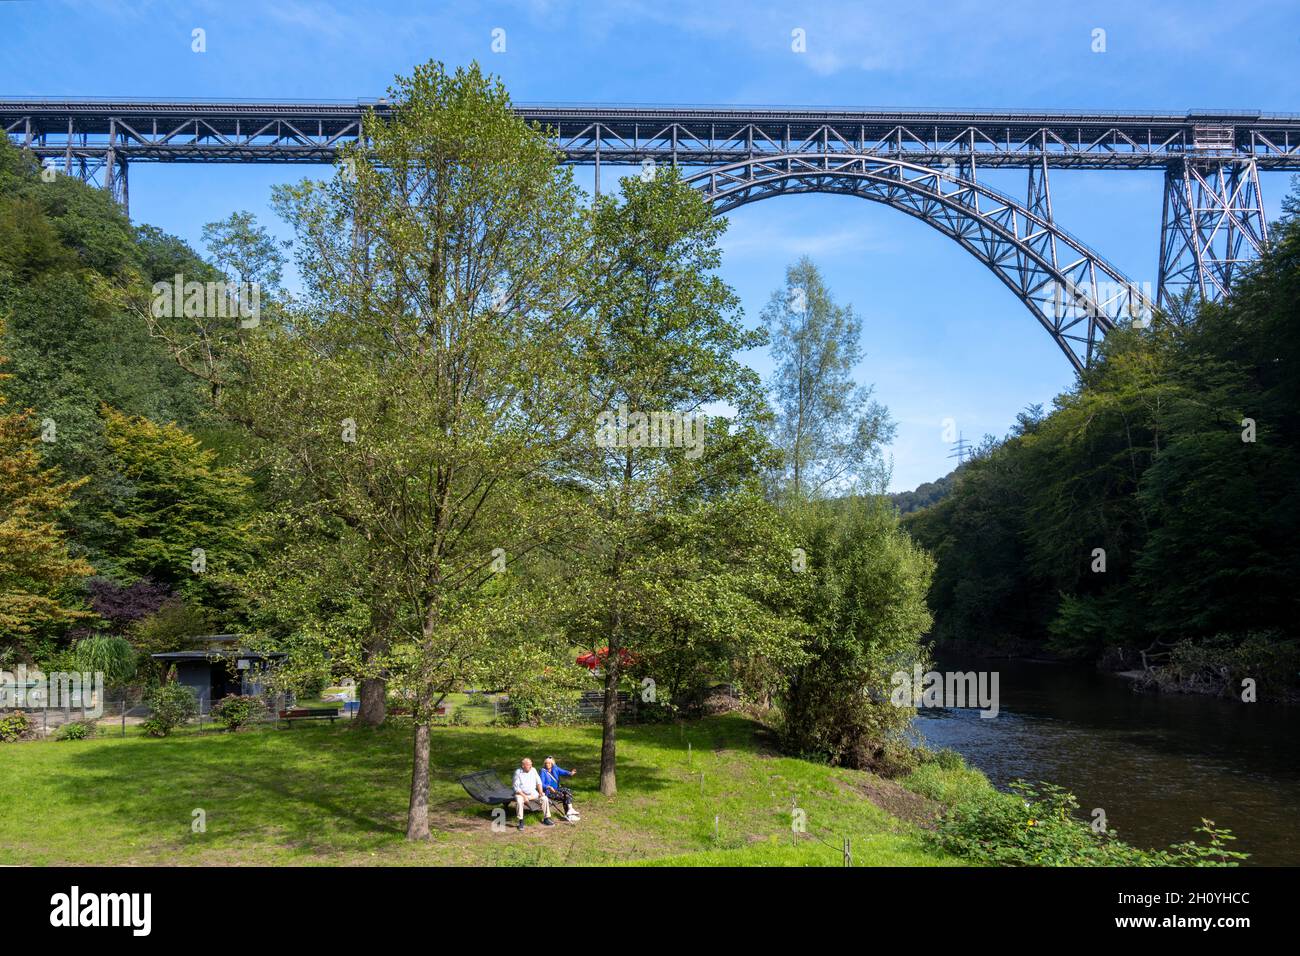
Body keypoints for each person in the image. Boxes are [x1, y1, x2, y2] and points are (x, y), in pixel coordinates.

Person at [511, 757, 553, 830]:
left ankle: (546, 818)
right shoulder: (518, 772)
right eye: (528, 765)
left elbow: (539, 782)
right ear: (523, 765)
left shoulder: (533, 770)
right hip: (521, 794)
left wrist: (540, 792)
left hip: (533, 793)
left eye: (531, 764)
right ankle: (521, 821)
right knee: (519, 801)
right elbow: (516, 788)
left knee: (544, 798)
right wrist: (524, 797)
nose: (530, 766)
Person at [539, 756, 579, 821]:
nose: (547, 764)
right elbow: (541, 784)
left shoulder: (555, 768)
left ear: (552, 764)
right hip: (549, 792)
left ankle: (570, 810)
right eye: (546, 763)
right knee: (565, 796)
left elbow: (563, 772)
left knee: (567, 790)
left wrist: (570, 773)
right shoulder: (543, 771)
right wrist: (548, 787)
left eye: (549, 763)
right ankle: (569, 815)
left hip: (556, 789)